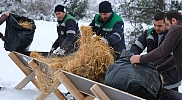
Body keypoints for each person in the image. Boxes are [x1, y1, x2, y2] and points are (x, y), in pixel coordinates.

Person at [130, 12, 181, 91]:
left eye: (161, 25)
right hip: (153, 79)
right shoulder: (149, 33)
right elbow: (177, 57)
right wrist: (133, 56)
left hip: (170, 80)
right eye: (154, 25)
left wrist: (143, 60)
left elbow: (163, 52)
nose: (156, 28)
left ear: (173, 21)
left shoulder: (175, 31)